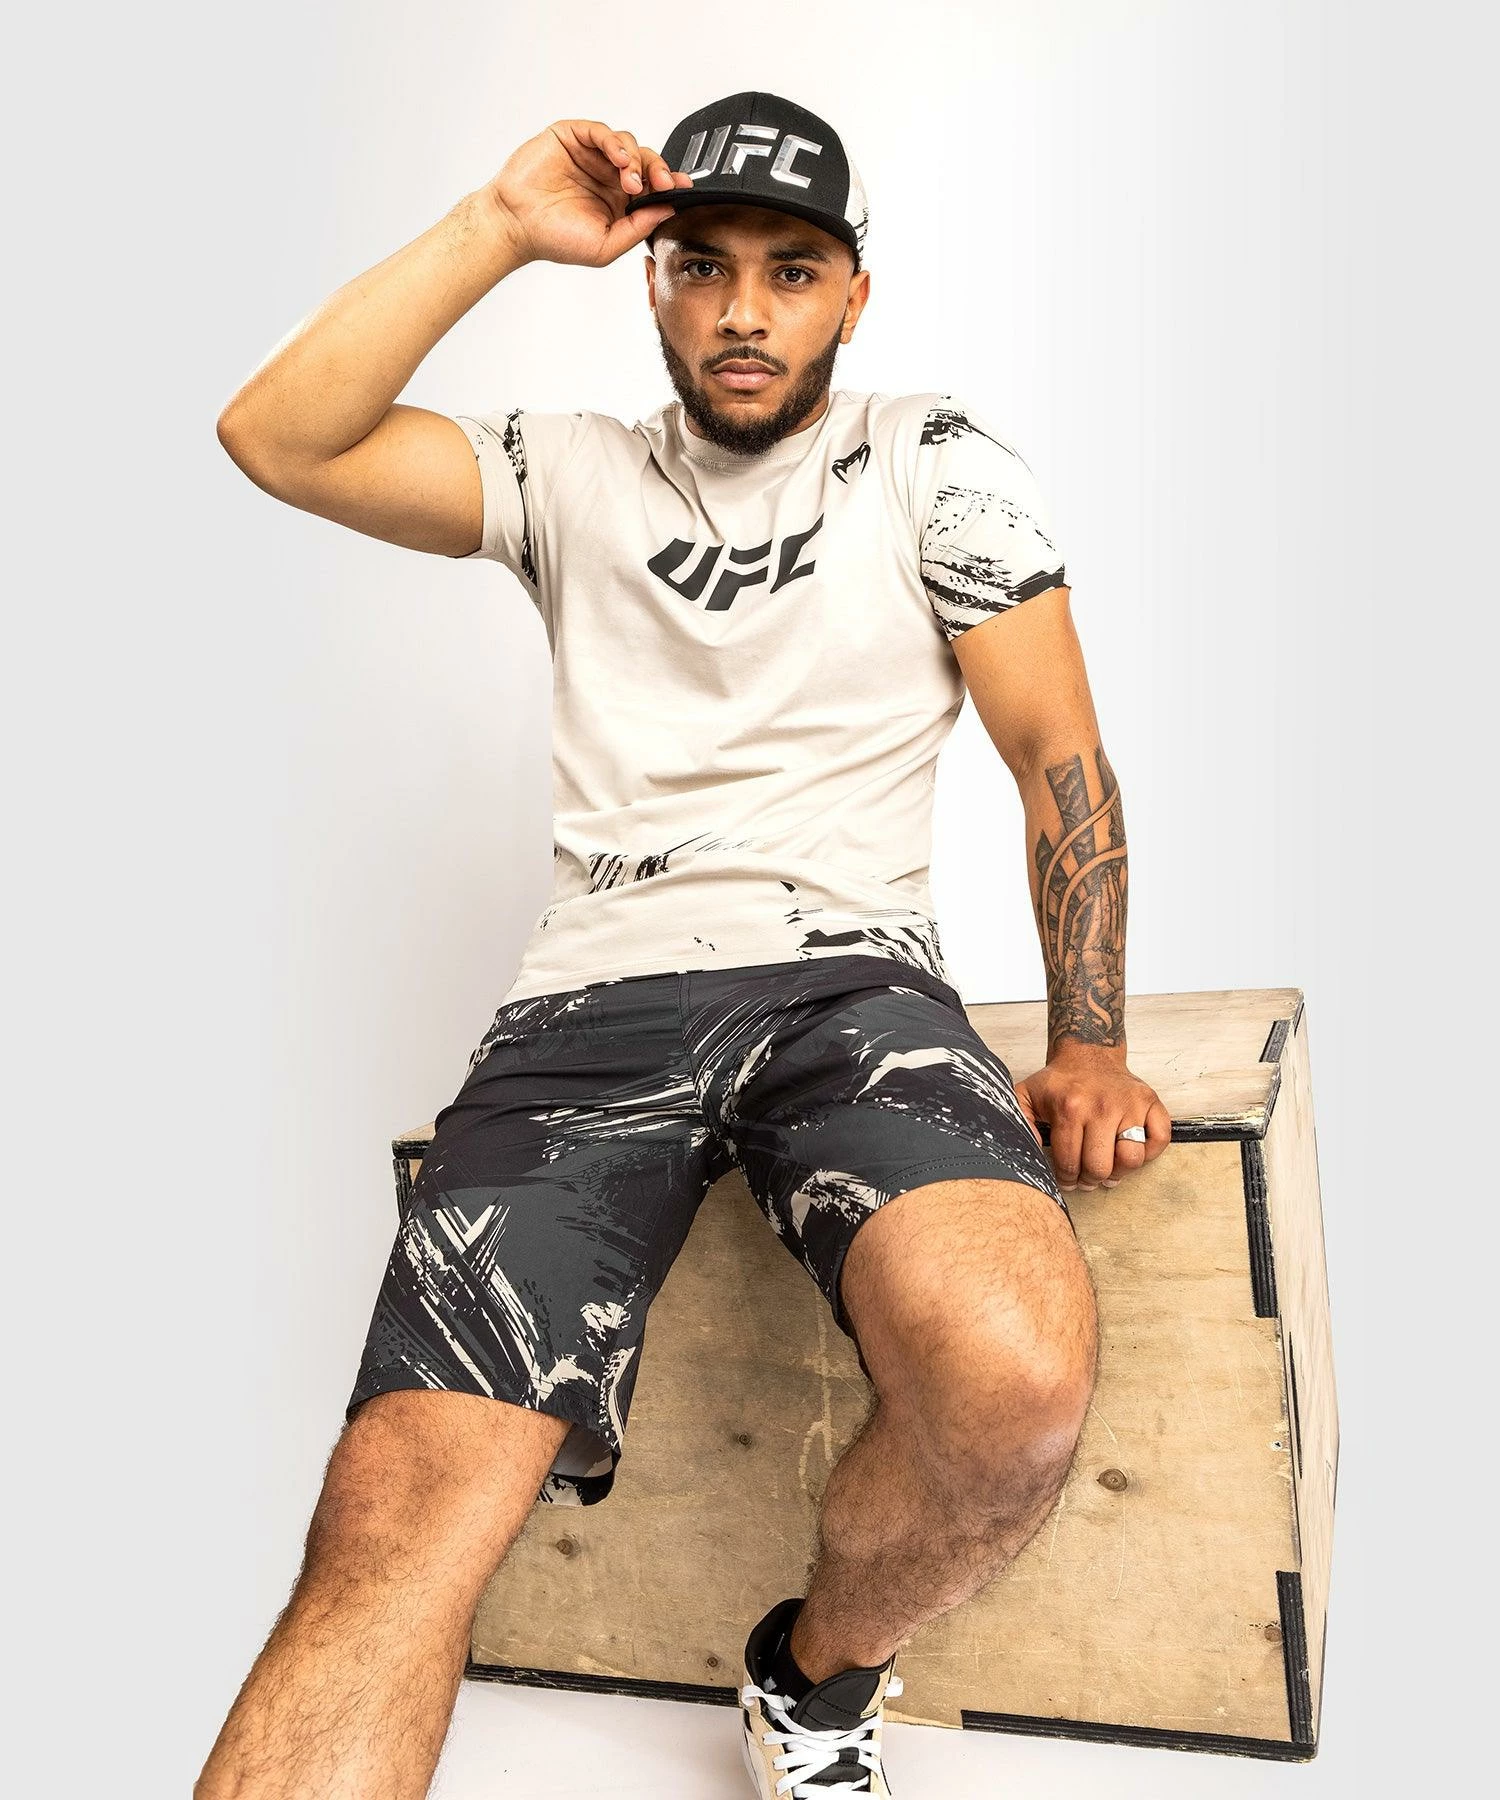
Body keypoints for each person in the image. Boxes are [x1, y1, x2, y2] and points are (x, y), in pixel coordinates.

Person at [200, 90, 1170, 1800]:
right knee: (393, 1514)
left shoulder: (930, 459)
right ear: (650, 279)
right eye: (702, 265)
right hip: (593, 1009)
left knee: (1016, 1383)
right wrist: (499, 226)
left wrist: (1088, 1038)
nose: (742, 310)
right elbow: (279, 437)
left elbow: (1056, 757)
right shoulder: (567, 471)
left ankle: (817, 1675)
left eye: (790, 271)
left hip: (853, 987)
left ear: (852, 293)